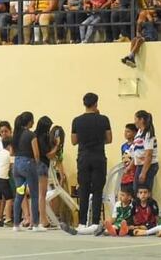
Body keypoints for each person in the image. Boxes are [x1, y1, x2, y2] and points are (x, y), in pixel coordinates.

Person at [71, 93, 112, 229]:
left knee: (84, 190)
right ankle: (95, 222)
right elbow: (109, 139)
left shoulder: (77, 120)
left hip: (83, 157)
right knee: (97, 190)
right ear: (96, 103)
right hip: (98, 157)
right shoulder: (104, 119)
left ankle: (82, 223)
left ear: (84, 103)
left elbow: (74, 141)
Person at [7, 112, 42, 231]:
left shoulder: (15, 135)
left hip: (16, 167)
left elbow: (11, 152)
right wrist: (37, 165)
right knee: (34, 195)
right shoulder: (31, 135)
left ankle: (16, 225)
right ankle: (35, 224)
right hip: (28, 165)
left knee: (19, 195)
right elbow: (36, 154)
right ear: (29, 121)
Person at [131, 111, 158, 195]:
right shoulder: (139, 132)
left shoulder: (148, 134)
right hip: (140, 165)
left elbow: (149, 154)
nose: (134, 121)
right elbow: (137, 152)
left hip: (147, 166)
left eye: (135, 119)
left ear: (141, 120)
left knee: (144, 192)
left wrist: (143, 173)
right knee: (137, 191)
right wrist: (130, 166)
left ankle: (148, 208)